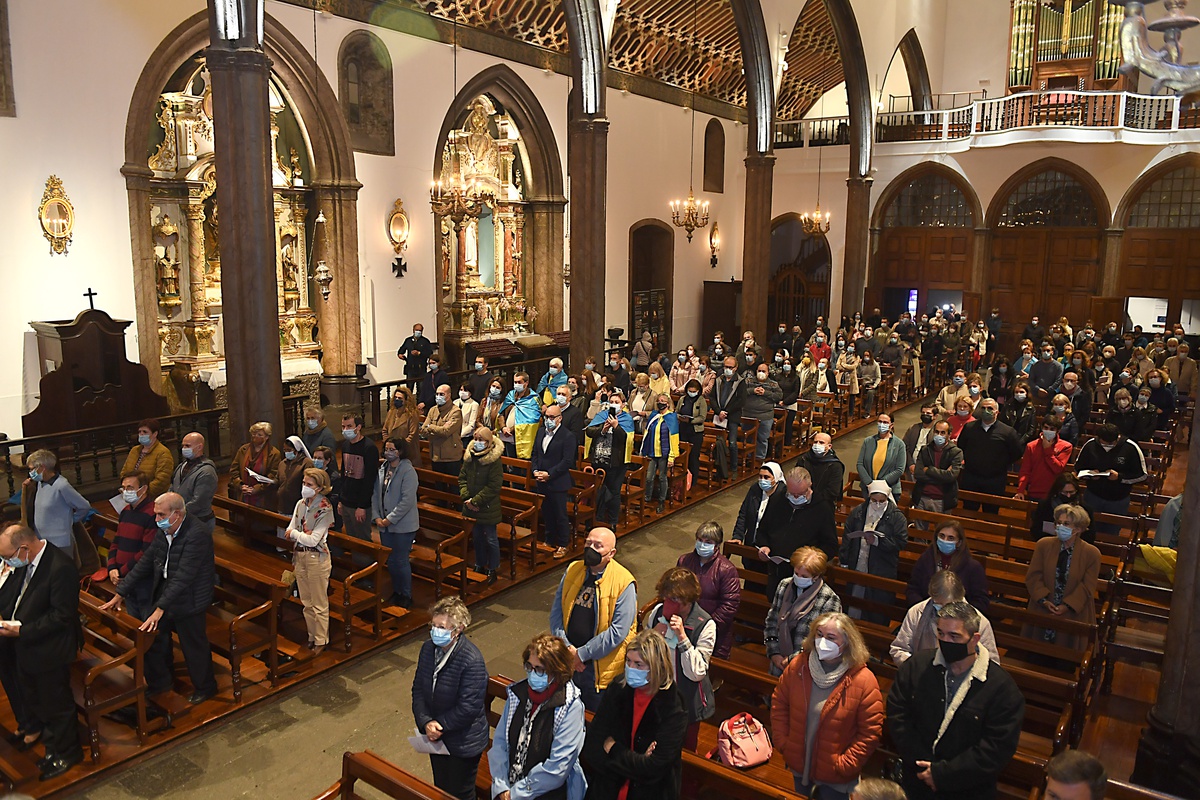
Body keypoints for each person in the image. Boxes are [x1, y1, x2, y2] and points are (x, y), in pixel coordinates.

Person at [886, 602, 1025, 800]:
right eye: (941, 634)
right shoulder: (917, 666)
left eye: (954, 636)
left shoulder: (1002, 689)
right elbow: (898, 713)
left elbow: (996, 748)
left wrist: (942, 774)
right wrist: (924, 764)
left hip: (969, 790)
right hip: (916, 780)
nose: (945, 641)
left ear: (975, 639)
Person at [100, 493, 218, 705]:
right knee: (154, 638)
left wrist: (160, 608)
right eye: (156, 514)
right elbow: (146, 561)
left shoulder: (197, 534)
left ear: (178, 514)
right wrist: (121, 592)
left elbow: (184, 577)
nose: (156, 519)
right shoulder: (164, 529)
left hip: (190, 597)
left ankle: (206, 687)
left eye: (161, 515)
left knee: (193, 646)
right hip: (166, 590)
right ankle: (161, 683)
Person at [0, 524, 83, 780]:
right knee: (39, 702)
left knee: (57, 704)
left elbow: (62, 616)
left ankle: (68, 753)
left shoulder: (60, 567)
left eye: (8, 556)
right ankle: (53, 748)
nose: (7, 562)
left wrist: (21, 630)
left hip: (51, 649)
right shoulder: (27, 563)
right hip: (29, 647)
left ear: (23, 548)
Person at [771, 612, 883, 799]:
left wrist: (846, 764)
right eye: (819, 634)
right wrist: (783, 742)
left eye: (831, 637)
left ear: (847, 642)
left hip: (836, 777)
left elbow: (870, 732)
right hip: (799, 763)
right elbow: (779, 703)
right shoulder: (799, 666)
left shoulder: (864, 680)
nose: (823, 641)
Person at [581, 629, 688, 800]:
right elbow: (592, 748)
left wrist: (614, 749)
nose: (631, 669)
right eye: (628, 661)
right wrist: (635, 764)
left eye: (639, 664)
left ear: (657, 667)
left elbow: (654, 768)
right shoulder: (618, 690)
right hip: (608, 789)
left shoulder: (673, 706)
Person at [488, 633, 587, 800]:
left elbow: (557, 768)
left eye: (540, 669)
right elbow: (500, 742)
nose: (533, 674)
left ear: (557, 670)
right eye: (529, 666)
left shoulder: (570, 707)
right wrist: (501, 785)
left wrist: (516, 794)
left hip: (545, 794)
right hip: (509, 787)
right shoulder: (518, 694)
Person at [549, 528, 637, 712]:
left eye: (598, 546)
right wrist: (567, 649)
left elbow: (618, 632)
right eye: (588, 543)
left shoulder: (624, 582)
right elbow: (557, 612)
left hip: (598, 671)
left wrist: (581, 654)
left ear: (611, 553)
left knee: (593, 720)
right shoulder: (573, 569)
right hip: (568, 661)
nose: (591, 549)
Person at [411, 597, 489, 800]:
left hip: (463, 742)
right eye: (434, 625)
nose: (436, 631)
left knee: (460, 793)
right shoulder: (428, 649)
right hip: (436, 737)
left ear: (458, 629)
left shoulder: (472, 660)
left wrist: (440, 724)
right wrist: (426, 722)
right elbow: (418, 689)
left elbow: (469, 707)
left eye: (442, 627)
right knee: (441, 789)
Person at [642, 568, 716, 750]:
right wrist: (652, 636)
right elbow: (640, 656)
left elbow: (697, 673)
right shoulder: (657, 614)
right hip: (656, 696)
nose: (668, 603)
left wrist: (683, 638)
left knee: (685, 750)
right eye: (666, 596)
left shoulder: (705, 624)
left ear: (688, 600)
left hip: (686, 701)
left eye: (674, 599)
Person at [1025, 504, 1101, 652]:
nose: (1060, 527)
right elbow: (1034, 576)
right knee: (1036, 655)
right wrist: (1044, 600)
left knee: (1065, 662)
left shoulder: (1092, 553)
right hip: (1043, 607)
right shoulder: (1043, 545)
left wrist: (1066, 606)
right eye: (1058, 523)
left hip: (1073, 613)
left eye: (1066, 524)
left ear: (1078, 528)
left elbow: (1087, 586)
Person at [758, 467, 838, 597]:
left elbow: (830, 546)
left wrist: (810, 561)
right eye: (791, 493)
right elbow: (763, 530)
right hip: (776, 571)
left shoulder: (822, 507)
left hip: (805, 576)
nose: (795, 498)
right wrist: (764, 545)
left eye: (800, 494)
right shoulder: (778, 499)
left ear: (809, 486)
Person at [890, 571, 998, 666]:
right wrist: (917, 668)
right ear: (932, 597)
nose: (945, 610)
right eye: (939, 605)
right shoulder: (916, 612)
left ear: (960, 598)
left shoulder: (980, 622)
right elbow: (899, 649)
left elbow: (991, 663)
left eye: (950, 605)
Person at [765, 547, 842, 677]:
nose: (798, 578)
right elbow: (772, 620)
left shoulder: (829, 599)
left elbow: (821, 641)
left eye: (804, 576)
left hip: (808, 666)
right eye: (796, 573)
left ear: (816, 576)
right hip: (778, 661)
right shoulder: (784, 585)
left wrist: (791, 660)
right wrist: (774, 653)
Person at [841, 480, 909, 623]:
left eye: (881, 501)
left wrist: (878, 542)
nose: (877, 504)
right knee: (855, 607)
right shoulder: (858, 512)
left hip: (881, 568)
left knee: (876, 610)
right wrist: (844, 561)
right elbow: (848, 537)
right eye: (874, 500)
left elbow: (901, 542)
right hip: (859, 563)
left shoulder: (897, 517)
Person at [282, 468, 334, 653]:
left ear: (319, 488)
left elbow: (313, 539)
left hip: (317, 558)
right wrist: (296, 534)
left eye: (309, 485)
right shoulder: (300, 504)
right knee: (306, 601)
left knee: (319, 602)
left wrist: (296, 533)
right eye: (304, 483)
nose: (305, 487)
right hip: (300, 556)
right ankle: (311, 635)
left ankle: (321, 640)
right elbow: (290, 528)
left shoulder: (325, 508)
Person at [676, 521, 740, 660]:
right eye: (700, 540)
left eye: (708, 541)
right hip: (684, 627)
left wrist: (705, 627)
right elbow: (675, 591)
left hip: (714, 632)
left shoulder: (726, 569)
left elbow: (729, 605)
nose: (702, 544)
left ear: (716, 545)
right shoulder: (684, 561)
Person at [372, 438, 419, 609]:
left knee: (401, 561)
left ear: (400, 451)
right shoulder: (382, 469)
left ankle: (406, 594)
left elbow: (407, 501)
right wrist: (376, 516)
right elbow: (376, 494)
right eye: (386, 448)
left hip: (402, 525)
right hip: (384, 524)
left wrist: (389, 519)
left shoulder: (408, 471)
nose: (388, 452)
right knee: (391, 561)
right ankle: (397, 591)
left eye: (392, 449)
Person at [905, 521, 990, 612]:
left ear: (959, 542)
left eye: (950, 538)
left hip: (958, 619)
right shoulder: (926, 559)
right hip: (925, 612)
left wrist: (958, 615)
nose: (945, 540)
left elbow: (981, 601)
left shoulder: (973, 567)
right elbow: (912, 588)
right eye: (942, 536)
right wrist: (923, 609)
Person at [956, 398, 1022, 512]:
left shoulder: (1008, 432)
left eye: (990, 408)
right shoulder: (969, 428)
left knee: (991, 513)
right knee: (968, 511)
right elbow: (961, 447)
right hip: (971, 478)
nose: (986, 411)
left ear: (997, 411)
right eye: (983, 408)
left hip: (995, 480)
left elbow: (1017, 452)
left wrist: (1000, 463)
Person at [1074, 423, 1148, 525]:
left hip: (1118, 499)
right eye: (1104, 443)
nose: (1107, 446)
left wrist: (1119, 477)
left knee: (1112, 530)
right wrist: (1090, 475)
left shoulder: (1131, 447)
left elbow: (1142, 475)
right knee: (1087, 527)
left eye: (1111, 444)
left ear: (1118, 437)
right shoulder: (1090, 445)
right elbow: (1078, 468)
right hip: (1093, 495)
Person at [108, 470, 158, 619]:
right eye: (123, 488)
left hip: (143, 580)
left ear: (143, 489)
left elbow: (146, 551)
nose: (125, 492)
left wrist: (122, 572)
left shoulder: (153, 513)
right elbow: (116, 541)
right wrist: (112, 568)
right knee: (134, 621)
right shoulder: (125, 511)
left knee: (148, 623)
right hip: (126, 580)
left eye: (130, 488)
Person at [22, 449, 90, 557]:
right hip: (42, 540)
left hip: (59, 542)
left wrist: (70, 521)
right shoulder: (40, 483)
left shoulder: (61, 485)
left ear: (42, 468)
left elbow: (84, 506)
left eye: (32, 469)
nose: (30, 473)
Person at [460, 426, 504, 585]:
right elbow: (462, 478)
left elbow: (494, 486)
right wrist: (467, 498)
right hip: (470, 505)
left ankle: (493, 568)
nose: (477, 442)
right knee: (477, 537)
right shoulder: (470, 456)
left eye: (481, 440)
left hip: (487, 507)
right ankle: (480, 564)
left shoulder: (494, 461)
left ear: (489, 442)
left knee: (491, 539)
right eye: (475, 439)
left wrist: (475, 501)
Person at [533, 404, 577, 558]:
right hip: (541, 481)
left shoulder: (567, 436)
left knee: (560, 514)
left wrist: (549, 474)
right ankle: (549, 539)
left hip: (557, 482)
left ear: (560, 418)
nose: (548, 420)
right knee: (546, 512)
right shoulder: (540, 432)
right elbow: (536, 454)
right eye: (546, 417)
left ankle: (563, 544)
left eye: (552, 417)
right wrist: (535, 470)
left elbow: (567, 461)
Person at [585, 393, 634, 531]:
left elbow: (625, 438)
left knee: (613, 492)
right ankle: (597, 518)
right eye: (611, 401)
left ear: (623, 404)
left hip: (616, 462)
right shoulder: (602, 415)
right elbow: (589, 431)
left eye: (616, 401)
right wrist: (603, 429)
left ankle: (612, 521)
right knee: (598, 491)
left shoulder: (626, 419)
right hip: (599, 459)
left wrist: (616, 426)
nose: (613, 404)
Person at [732, 461, 784, 582]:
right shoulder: (755, 489)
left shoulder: (782, 495)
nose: (762, 480)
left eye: (766, 477)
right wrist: (738, 536)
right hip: (752, 544)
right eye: (760, 476)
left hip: (770, 551)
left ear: (775, 478)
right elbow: (743, 514)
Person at [339, 414, 380, 541]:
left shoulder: (369, 447)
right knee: (351, 537)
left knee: (362, 538)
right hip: (346, 500)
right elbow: (343, 475)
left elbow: (369, 480)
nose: (346, 430)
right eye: (343, 427)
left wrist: (362, 506)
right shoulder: (345, 445)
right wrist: (341, 500)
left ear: (358, 427)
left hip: (360, 503)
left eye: (349, 426)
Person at [911, 420, 962, 521]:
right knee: (919, 533)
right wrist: (942, 475)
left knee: (941, 531)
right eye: (937, 432)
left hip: (943, 499)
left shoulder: (956, 452)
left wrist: (929, 470)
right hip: (922, 496)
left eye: (943, 433)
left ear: (949, 434)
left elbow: (951, 477)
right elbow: (918, 473)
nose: (939, 435)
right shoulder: (925, 450)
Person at [171, 432, 219, 535]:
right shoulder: (182, 465)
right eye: (183, 445)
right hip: (181, 518)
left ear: (199, 447)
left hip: (199, 520)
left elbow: (199, 501)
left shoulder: (206, 471)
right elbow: (173, 487)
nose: (184, 448)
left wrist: (178, 514)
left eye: (187, 446)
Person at [1015, 417, 1072, 502]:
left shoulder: (1066, 446)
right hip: (1034, 492)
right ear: (1041, 428)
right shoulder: (1031, 446)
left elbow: (1058, 469)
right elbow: (1025, 471)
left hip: (1054, 493)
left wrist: (1047, 450)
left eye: (1052, 429)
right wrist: (1020, 490)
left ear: (1058, 431)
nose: (1048, 431)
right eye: (1046, 428)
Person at [640, 393, 679, 515]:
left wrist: (672, 456)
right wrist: (643, 449)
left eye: (662, 401)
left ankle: (661, 500)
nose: (660, 402)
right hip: (652, 451)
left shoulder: (671, 418)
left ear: (668, 403)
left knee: (662, 477)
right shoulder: (654, 415)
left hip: (664, 453)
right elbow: (646, 433)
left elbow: (674, 438)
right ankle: (647, 498)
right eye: (658, 400)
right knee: (649, 477)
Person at [228, 422, 282, 511]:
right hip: (244, 494)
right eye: (253, 434)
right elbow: (234, 470)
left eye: (259, 434)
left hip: (263, 497)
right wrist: (241, 485)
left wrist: (256, 489)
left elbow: (273, 475)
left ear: (266, 437)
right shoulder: (243, 450)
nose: (254, 436)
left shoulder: (274, 453)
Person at [855, 414, 907, 502]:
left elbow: (899, 469)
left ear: (891, 425)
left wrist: (879, 485)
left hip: (889, 489)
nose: (882, 424)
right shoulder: (868, 441)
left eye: (885, 422)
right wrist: (869, 483)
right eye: (880, 422)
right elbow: (860, 464)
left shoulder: (899, 444)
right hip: (868, 488)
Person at [120, 418, 174, 497]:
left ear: (155, 434)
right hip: (131, 494)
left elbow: (162, 480)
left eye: (145, 432)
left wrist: (142, 493)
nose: (141, 434)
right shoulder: (134, 450)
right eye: (139, 432)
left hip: (151, 496)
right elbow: (124, 472)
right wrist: (127, 488)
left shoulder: (163, 452)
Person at [743, 362, 783, 462]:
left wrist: (765, 393)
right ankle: (747, 458)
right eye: (759, 371)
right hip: (748, 414)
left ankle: (759, 458)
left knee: (762, 438)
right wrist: (753, 391)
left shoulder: (773, 384)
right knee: (747, 438)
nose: (761, 373)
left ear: (768, 373)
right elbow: (740, 392)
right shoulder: (748, 381)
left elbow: (779, 396)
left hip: (765, 416)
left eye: (763, 371)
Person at [422, 383, 465, 476]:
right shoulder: (433, 410)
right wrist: (435, 429)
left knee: (453, 487)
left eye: (442, 394)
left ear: (449, 396)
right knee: (439, 486)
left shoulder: (455, 411)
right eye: (437, 394)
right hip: (435, 455)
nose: (438, 397)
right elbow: (423, 430)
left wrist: (431, 427)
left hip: (450, 456)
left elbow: (445, 432)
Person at [711, 356, 747, 464]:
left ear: (736, 368)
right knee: (719, 442)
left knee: (732, 442)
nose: (728, 369)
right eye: (726, 367)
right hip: (719, 415)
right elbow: (712, 397)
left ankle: (733, 466)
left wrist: (726, 411)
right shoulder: (719, 380)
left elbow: (741, 400)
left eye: (730, 367)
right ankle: (720, 464)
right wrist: (718, 411)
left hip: (732, 416)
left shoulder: (740, 381)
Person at [501, 372, 544, 459]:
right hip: (507, 437)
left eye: (519, 382)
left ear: (526, 383)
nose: (516, 385)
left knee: (522, 466)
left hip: (523, 437)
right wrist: (503, 427)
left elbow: (532, 419)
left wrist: (511, 429)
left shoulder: (533, 398)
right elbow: (501, 413)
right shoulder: (510, 395)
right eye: (515, 382)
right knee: (510, 464)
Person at [674, 379, 708, 486]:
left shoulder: (701, 401)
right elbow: (676, 412)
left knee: (693, 457)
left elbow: (702, 417)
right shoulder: (683, 399)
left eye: (694, 391)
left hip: (695, 432)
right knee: (683, 456)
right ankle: (683, 480)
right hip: (683, 430)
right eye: (690, 390)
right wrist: (681, 418)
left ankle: (693, 481)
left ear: (698, 391)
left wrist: (691, 420)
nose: (691, 393)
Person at [276, 436, 313, 528]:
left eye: (289, 450)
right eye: (285, 450)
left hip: (297, 508)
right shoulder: (282, 463)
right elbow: (278, 480)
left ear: (297, 450)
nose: (287, 452)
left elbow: (309, 484)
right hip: (282, 506)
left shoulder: (306, 463)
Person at [799, 432, 845, 507]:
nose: (817, 445)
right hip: (802, 501)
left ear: (829, 446)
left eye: (821, 442)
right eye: (815, 442)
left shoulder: (835, 466)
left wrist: (812, 498)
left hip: (824, 505)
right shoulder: (804, 460)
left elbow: (833, 491)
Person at [383, 386, 423, 470]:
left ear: (406, 400)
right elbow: (385, 430)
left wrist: (399, 449)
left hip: (407, 453)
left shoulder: (412, 414)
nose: (397, 399)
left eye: (400, 398)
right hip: (391, 452)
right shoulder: (391, 412)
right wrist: (388, 446)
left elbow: (411, 435)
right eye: (396, 397)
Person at [397, 323, 434, 388]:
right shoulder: (408, 340)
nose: (418, 332)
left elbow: (430, 353)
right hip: (410, 368)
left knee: (421, 388)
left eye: (420, 330)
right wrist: (400, 355)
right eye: (417, 330)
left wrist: (419, 353)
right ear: (413, 330)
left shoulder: (425, 341)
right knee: (409, 388)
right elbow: (401, 350)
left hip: (421, 369)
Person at [857, 351, 881, 418]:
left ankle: (867, 412)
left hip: (872, 384)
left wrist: (874, 385)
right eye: (865, 355)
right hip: (863, 383)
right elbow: (858, 374)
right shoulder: (861, 364)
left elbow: (878, 377)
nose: (866, 357)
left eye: (867, 356)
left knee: (870, 393)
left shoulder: (875, 365)